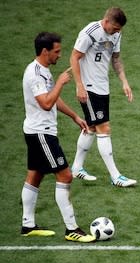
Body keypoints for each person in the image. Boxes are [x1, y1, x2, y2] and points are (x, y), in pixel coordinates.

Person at [21, 32, 95, 242]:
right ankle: (71, 229)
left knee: (35, 175)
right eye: (57, 51)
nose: (60, 55)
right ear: (45, 51)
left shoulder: (43, 70)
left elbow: (52, 99)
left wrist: (74, 116)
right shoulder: (35, 73)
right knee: (65, 176)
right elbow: (45, 103)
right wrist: (61, 82)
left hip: (37, 131)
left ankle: (27, 225)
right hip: (41, 133)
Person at [70, 7, 136, 187]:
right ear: (106, 21)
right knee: (103, 127)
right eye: (115, 28)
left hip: (102, 87)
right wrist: (79, 85)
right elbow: (74, 57)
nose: (117, 32)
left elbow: (116, 59)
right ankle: (115, 176)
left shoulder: (116, 35)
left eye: (119, 29)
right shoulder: (90, 32)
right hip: (89, 88)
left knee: (91, 126)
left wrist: (124, 81)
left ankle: (76, 168)